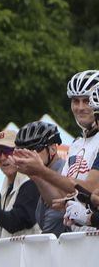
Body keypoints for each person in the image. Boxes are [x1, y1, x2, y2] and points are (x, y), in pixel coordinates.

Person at [15, 73, 99, 230]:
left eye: (86, 101)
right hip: (76, 238)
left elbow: (90, 189)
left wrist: (42, 171)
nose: (80, 107)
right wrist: (36, 174)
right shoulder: (76, 144)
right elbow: (58, 200)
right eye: (75, 101)